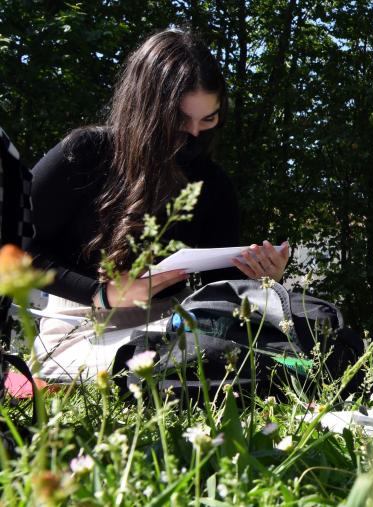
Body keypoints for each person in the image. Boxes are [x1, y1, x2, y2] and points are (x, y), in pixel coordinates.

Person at [27, 29, 291, 381]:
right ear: (148, 110)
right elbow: (11, 246)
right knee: (173, 364)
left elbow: (220, 292)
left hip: (174, 327)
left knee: (240, 356)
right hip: (80, 330)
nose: (195, 134)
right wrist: (101, 293)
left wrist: (261, 280)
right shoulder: (86, 153)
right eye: (182, 121)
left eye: (208, 120)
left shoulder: (213, 184)